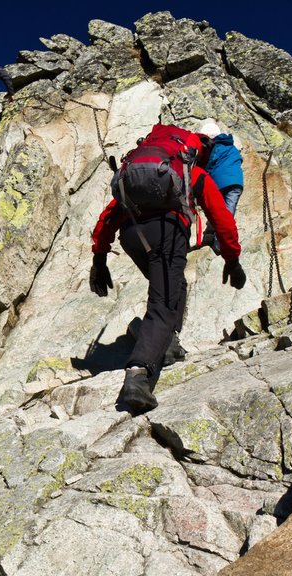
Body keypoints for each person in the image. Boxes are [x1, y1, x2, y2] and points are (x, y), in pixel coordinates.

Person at [89, 124, 246, 414]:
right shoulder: (191, 173)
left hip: (132, 235)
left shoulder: (141, 174)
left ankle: (168, 343)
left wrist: (99, 259)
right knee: (163, 302)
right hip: (168, 233)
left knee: (174, 286)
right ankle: (138, 376)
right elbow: (222, 219)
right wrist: (232, 260)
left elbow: (109, 214)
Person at [196, 121, 244, 252]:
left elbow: (210, 164)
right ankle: (218, 239)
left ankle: (218, 242)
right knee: (229, 211)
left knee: (219, 212)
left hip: (220, 183)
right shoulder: (231, 145)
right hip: (237, 183)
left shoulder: (214, 147)